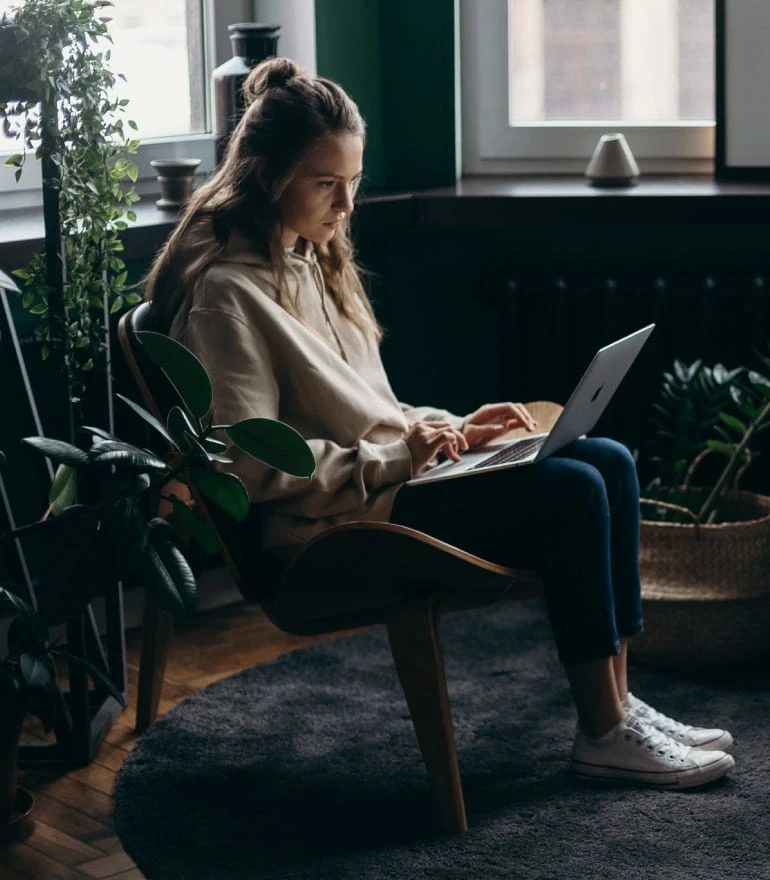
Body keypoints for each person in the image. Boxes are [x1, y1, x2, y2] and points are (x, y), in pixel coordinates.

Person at [142, 58, 734, 790]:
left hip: (387, 489)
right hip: (337, 530)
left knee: (606, 457)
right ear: (266, 176)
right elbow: (252, 470)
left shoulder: (309, 260)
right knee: (572, 493)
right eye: (327, 183)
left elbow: (367, 411)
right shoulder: (227, 297)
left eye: (353, 181)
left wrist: (455, 428)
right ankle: (602, 732)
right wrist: (399, 457)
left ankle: (620, 704)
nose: (346, 204)